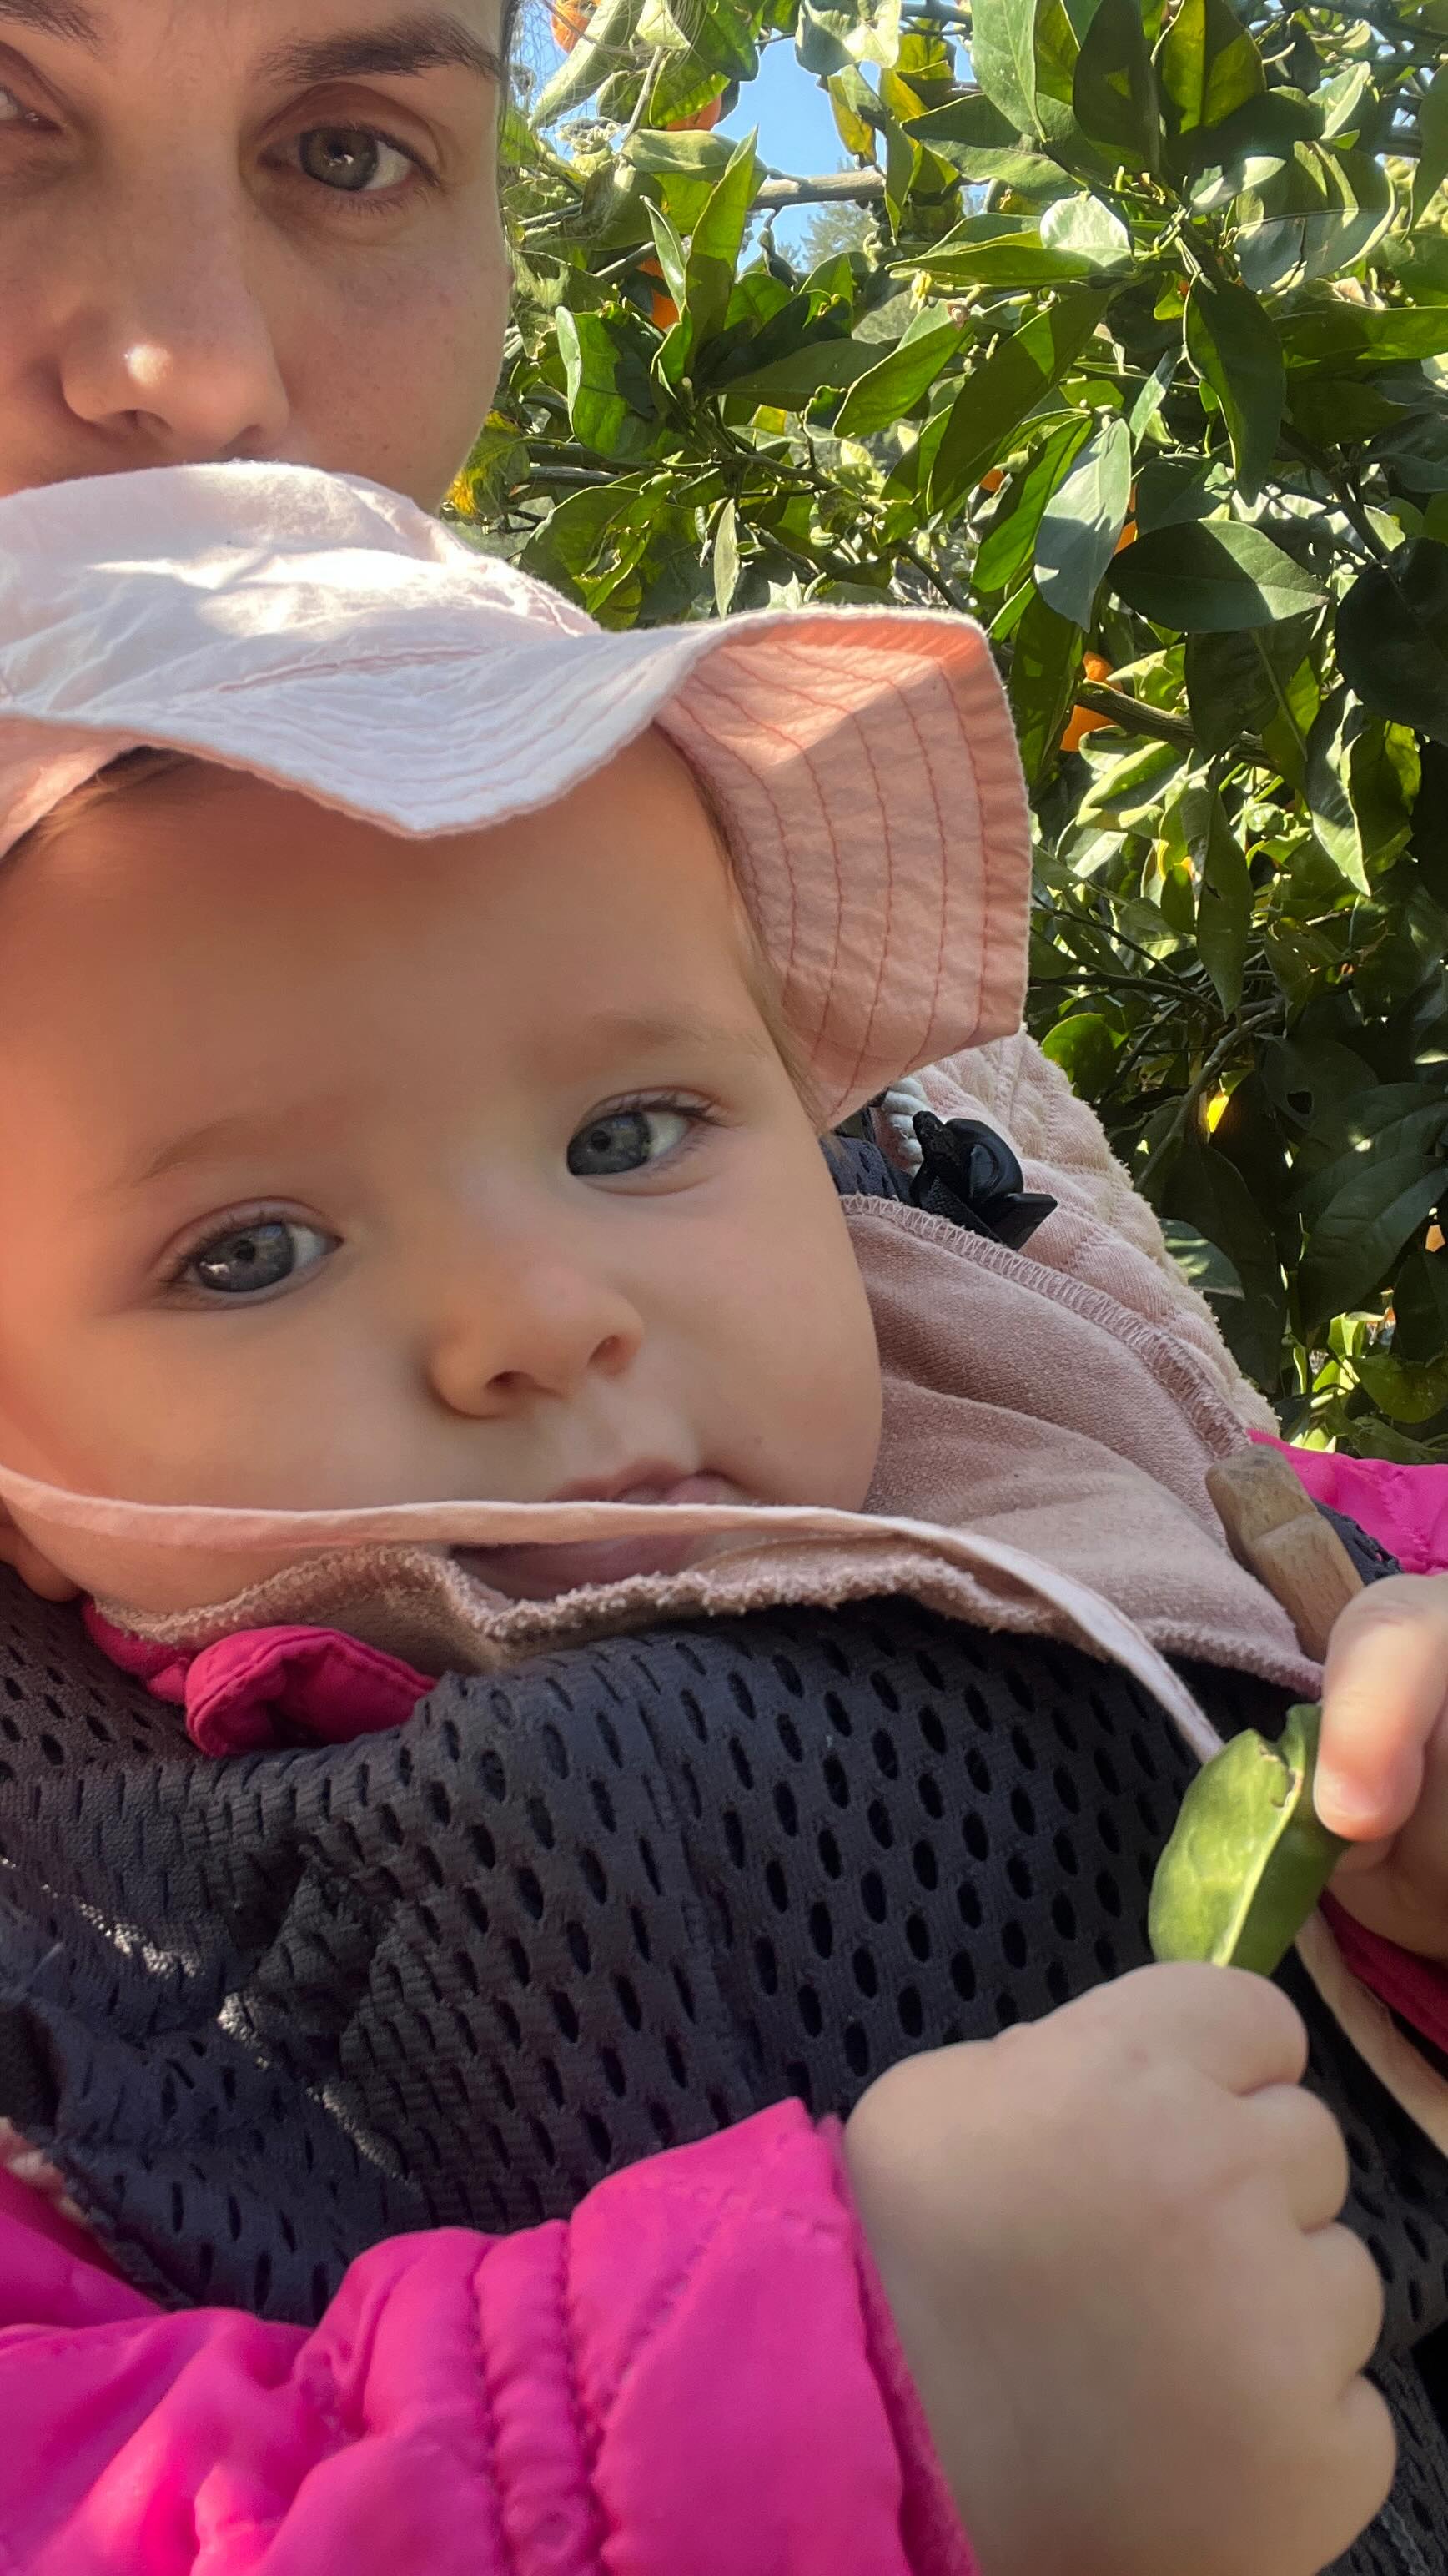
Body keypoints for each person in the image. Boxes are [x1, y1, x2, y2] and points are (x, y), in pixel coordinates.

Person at [0, 5, 1443, 2568]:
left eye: (635, 1134)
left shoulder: (977, 1321)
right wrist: (848, 2414)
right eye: (248, 1249)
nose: (539, 1316)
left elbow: (1288, 1523)